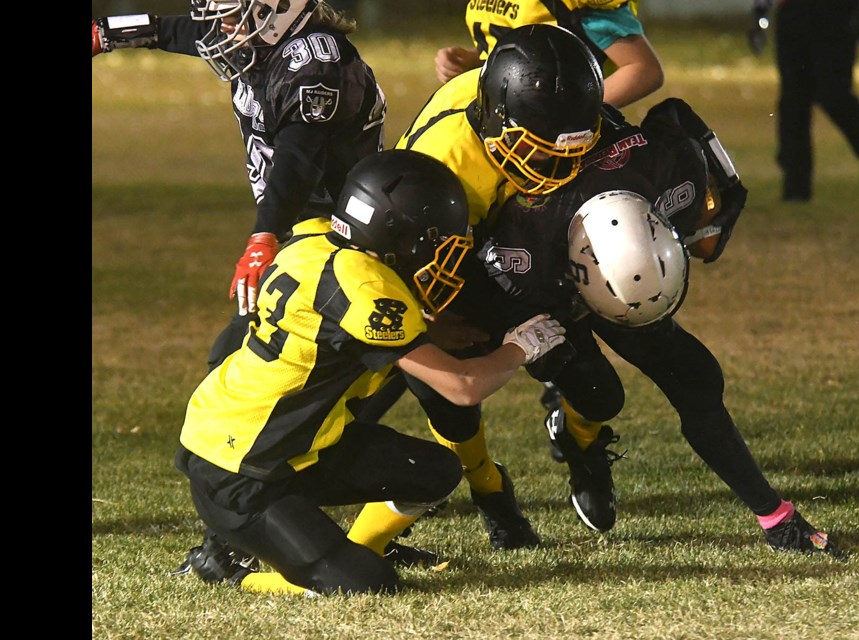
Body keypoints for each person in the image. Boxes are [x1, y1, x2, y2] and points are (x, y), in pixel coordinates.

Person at [171, 148, 569, 596]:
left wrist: (441, 335)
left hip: (281, 441)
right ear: (398, 237)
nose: (442, 255)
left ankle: (359, 547)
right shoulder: (366, 289)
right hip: (241, 470)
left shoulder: (315, 239)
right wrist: (521, 346)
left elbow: (343, 327)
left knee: (434, 470)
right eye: (437, 243)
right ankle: (233, 572)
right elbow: (464, 386)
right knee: (364, 585)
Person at [475, 96, 846, 558]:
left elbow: (675, 113)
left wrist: (712, 222)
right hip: (550, 280)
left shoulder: (672, 167)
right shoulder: (524, 240)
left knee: (696, 377)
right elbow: (488, 294)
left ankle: (776, 520)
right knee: (600, 394)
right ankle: (578, 440)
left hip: (610, 239)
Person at [393, 23, 604, 550]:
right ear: (495, 122)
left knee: (598, 388)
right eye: (539, 151)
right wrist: (431, 323)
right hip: (448, 256)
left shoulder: (529, 100)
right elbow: (398, 270)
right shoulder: (442, 166)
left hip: (517, 242)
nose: (555, 168)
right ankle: (491, 491)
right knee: (447, 395)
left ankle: (583, 443)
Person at [92, 1, 387, 369]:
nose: (222, 30)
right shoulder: (260, 41)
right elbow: (169, 29)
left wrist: (265, 235)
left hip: (335, 233)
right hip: (298, 228)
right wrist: (103, 34)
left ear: (274, 10)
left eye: (231, 16)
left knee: (239, 356)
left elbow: (298, 161)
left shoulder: (315, 63)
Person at [434, 0, 663, 109]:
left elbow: (643, 69)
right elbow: (522, 47)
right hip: (495, 117)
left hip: (544, 142)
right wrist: (472, 59)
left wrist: (573, 114)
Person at [748, 0, 859, 202]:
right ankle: (795, 187)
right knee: (793, 99)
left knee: (835, 95)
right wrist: (760, 10)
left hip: (836, 12)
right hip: (793, 11)